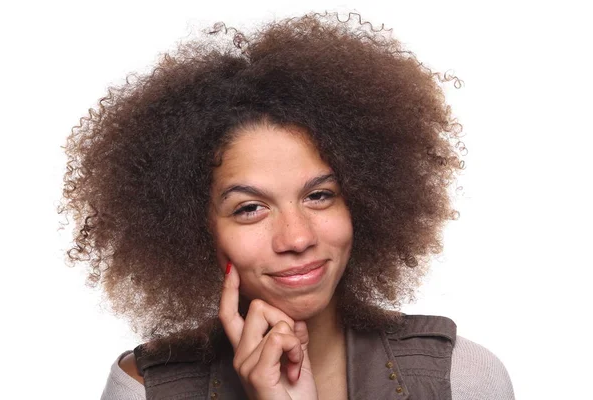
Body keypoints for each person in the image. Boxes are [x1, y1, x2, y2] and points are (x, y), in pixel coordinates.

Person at [60, 12, 514, 399]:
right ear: (195, 232)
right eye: (249, 208)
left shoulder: (460, 376)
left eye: (319, 196)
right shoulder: (145, 389)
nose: (297, 238)